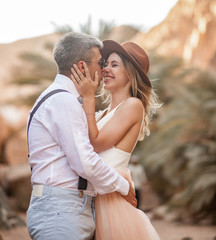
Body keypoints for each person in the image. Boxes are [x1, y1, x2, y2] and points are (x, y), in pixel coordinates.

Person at [26, 32, 137, 240]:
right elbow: (84, 162)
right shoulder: (64, 102)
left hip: (63, 209)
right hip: (61, 210)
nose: (102, 69)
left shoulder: (58, 99)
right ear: (81, 66)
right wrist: (124, 186)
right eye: (100, 62)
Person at [71, 39, 161, 240]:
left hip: (111, 205)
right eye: (105, 64)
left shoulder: (132, 105)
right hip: (93, 197)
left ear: (130, 73)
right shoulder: (102, 114)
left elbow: (95, 142)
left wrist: (88, 97)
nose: (105, 70)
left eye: (114, 65)